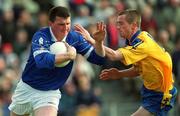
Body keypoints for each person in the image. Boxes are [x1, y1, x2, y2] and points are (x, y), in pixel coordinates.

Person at [74, 9, 177, 116]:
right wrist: (119, 74)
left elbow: (113, 55)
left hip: (161, 94)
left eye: (121, 24)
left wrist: (92, 40)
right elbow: (138, 70)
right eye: (117, 24)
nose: (117, 27)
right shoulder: (138, 38)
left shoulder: (142, 44)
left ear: (134, 25)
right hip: (151, 91)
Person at [8, 6, 105, 116]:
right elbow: (42, 61)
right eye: (61, 24)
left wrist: (99, 43)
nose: (65, 28)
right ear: (50, 23)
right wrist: (68, 55)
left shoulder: (74, 38)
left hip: (49, 92)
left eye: (68, 24)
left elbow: (98, 59)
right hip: (26, 88)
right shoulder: (41, 35)